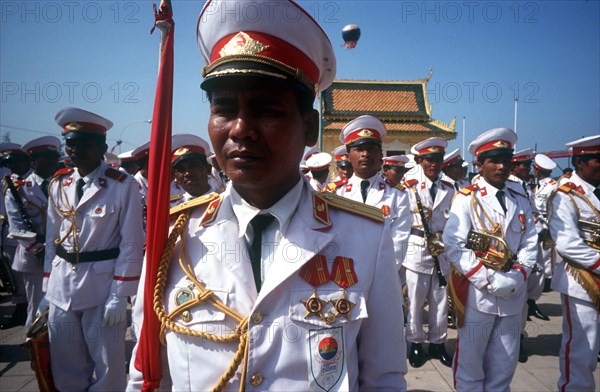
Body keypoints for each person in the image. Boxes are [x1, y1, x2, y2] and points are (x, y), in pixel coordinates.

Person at [127, 1, 407, 390]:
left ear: (309, 128)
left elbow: (384, 377)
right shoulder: (175, 234)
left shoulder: (366, 236)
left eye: (266, 110)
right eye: (224, 108)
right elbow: (146, 374)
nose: (240, 129)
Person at [38, 107, 145, 391]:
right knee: (65, 361)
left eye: (85, 143)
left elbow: (131, 241)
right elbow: (52, 239)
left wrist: (120, 295)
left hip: (101, 286)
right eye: (71, 143)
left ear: (102, 147)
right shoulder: (59, 183)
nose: (75, 150)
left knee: (107, 362)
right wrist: (46, 290)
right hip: (61, 285)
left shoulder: (122, 185)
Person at [443, 127, 537, 391]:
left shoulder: (519, 197)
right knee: (471, 366)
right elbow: (454, 245)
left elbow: (530, 240)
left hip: (513, 293)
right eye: (494, 160)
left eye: (506, 160)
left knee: (504, 364)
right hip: (477, 294)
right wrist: (489, 279)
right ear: (480, 165)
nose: (501, 166)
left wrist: (519, 274)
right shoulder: (466, 198)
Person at [548, 134, 600, 391]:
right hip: (582, 281)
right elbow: (568, 244)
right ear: (580, 162)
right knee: (582, 350)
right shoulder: (564, 196)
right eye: (597, 159)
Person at [332, 115, 412, 272]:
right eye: (359, 149)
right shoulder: (335, 193)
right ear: (348, 156)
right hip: (343, 275)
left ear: (380, 154)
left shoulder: (398, 195)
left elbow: (399, 240)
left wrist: (380, 272)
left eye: (371, 149)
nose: (365, 154)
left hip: (384, 275)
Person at [402, 137, 454, 368]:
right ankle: (415, 342)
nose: (434, 164)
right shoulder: (408, 185)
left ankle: (438, 342)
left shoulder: (450, 188)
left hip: (442, 250)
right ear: (420, 161)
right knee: (414, 300)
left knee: (440, 300)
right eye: (429, 160)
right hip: (417, 249)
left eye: (438, 159)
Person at [4, 136, 59, 332]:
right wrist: (39, 250)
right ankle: (37, 352)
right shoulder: (18, 190)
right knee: (37, 306)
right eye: (45, 158)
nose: (51, 163)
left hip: (62, 255)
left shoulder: (62, 184)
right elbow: (16, 227)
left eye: (53, 158)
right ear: (33, 161)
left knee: (62, 307)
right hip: (34, 257)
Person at [0, 143, 30, 329]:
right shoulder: (9, 182)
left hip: (38, 241)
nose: (13, 166)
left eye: (17, 162)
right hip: (11, 234)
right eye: (9, 162)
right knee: (15, 276)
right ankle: (21, 307)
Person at [532, 154, 557, 292]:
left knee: (548, 254)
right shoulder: (539, 185)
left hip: (547, 223)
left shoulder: (552, 186)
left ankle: (548, 280)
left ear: (538, 170)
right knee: (540, 254)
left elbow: (553, 208)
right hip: (537, 223)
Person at [169, 133, 214, 207]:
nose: (187, 173)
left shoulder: (226, 201)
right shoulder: (171, 209)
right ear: (175, 177)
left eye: (193, 166)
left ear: (208, 169)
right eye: (181, 169)